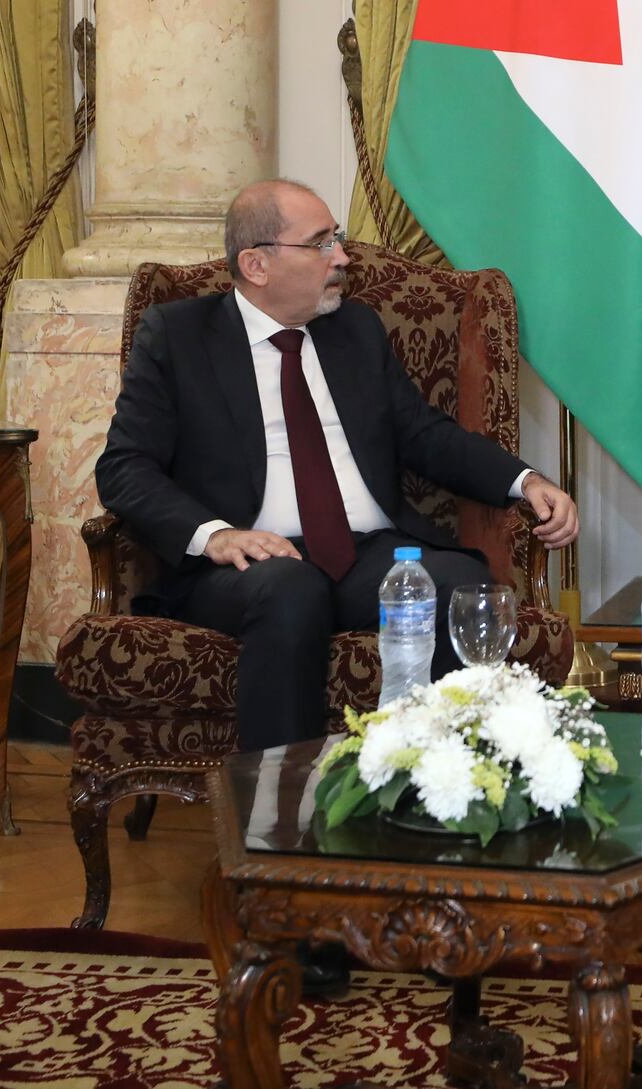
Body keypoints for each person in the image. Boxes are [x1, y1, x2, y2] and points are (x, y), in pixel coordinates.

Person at [97, 178, 579, 753]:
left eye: (338, 239)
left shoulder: (354, 330)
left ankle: (440, 787)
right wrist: (216, 536)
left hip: (366, 552)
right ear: (256, 264)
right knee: (289, 590)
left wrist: (525, 481)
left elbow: (425, 435)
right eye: (321, 243)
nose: (343, 257)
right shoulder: (178, 338)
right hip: (244, 563)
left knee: (455, 585)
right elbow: (124, 468)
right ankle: (276, 812)